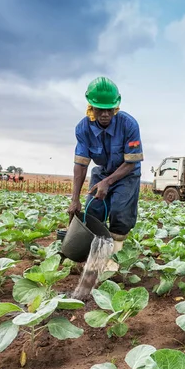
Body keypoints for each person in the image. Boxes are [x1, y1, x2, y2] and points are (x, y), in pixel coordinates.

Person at [67, 76, 143, 271]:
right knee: (94, 210)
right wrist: (75, 199)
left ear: (116, 107)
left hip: (127, 173)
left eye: (110, 109)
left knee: (120, 211)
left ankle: (115, 258)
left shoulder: (129, 125)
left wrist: (108, 183)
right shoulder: (83, 128)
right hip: (101, 173)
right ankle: (96, 255)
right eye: (101, 109)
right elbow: (81, 165)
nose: (105, 114)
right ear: (91, 107)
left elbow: (130, 163)